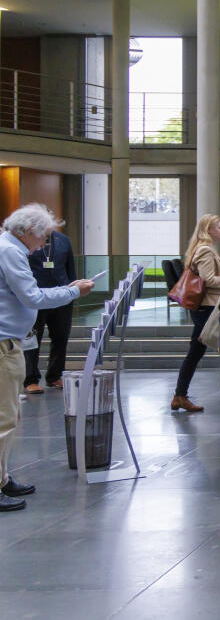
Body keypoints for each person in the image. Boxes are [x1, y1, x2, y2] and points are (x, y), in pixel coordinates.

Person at [0, 204, 93, 512]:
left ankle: (2, 477)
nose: (42, 246)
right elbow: (33, 297)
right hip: (4, 346)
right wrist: (72, 292)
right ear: (29, 232)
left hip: (9, 343)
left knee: (9, 417)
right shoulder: (11, 251)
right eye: (42, 239)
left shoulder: (9, 247)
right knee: (4, 419)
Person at [171, 215, 220, 413]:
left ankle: (179, 395)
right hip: (208, 308)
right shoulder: (206, 250)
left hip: (202, 309)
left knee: (194, 353)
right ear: (209, 229)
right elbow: (209, 280)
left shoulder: (199, 249)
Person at [23, 227, 77, 394]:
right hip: (36, 297)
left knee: (61, 337)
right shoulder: (27, 241)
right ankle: (30, 379)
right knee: (33, 340)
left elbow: (70, 267)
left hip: (61, 296)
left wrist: (72, 289)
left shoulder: (62, 240)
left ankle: (54, 376)